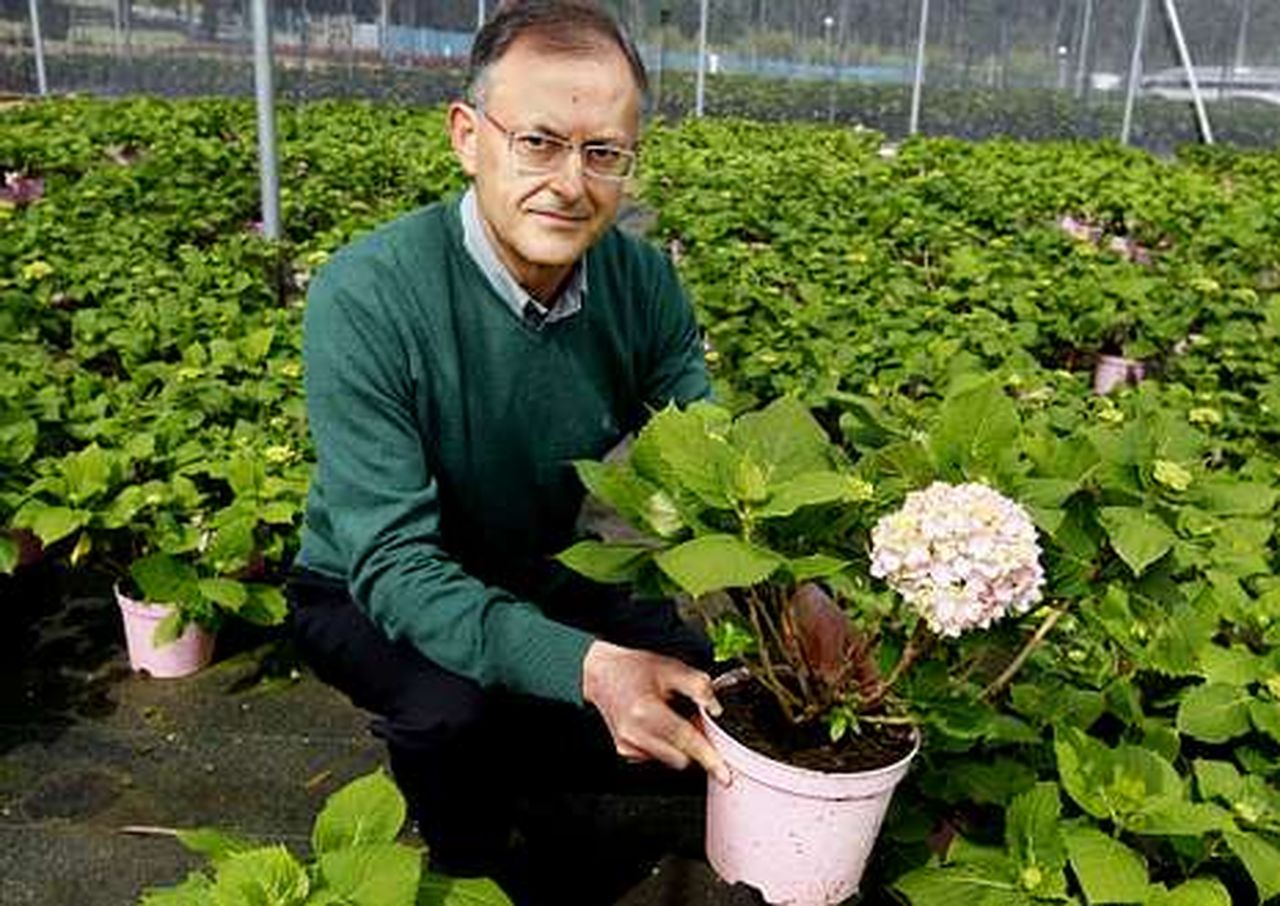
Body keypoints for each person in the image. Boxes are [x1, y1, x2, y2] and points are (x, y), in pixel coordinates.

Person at [286, 2, 728, 901]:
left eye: (604, 152)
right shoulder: (368, 296)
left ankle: (540, 730)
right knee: (454, 714)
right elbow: (395, 562)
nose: (571, 183)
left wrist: (792, 591)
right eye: (538, 141)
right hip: (371, 587)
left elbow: (710, 453)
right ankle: (471, 856)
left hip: (539, 564)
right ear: (467, 136)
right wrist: (592, 667)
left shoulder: (639, 281)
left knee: (719, 683)